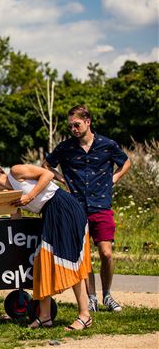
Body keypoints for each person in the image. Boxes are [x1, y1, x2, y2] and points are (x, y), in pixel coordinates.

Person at [0, 156, 92, 331]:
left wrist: (29, 197)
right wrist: (11, 210)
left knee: (70, 261)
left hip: (63, 207)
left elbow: (47, 174)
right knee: (41, 262)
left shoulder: (16, 171)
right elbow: (16, 218)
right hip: (50, 213)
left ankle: (84, 315)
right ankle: (45, 317)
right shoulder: (7, 195)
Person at [43, 105, 131, 312]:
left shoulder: (107, 145)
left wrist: (115, 177)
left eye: (77, 124)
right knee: (83, 256)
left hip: (101, 205)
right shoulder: (65, 148)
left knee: (106, 253)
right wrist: (62, 179)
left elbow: (125, 162)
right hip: (76, 207)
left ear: (88, 122)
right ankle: (90, 297)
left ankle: (107, 294)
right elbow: (46, 165)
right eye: (71, 126)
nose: (73, 129)